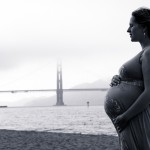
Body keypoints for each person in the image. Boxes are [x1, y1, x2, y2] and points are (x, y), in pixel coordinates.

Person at [104, 7, 150, 149]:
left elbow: (149, 92)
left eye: (131, 25)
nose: (128, 30)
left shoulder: (149, 53)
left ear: (144, 26)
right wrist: (119, 80)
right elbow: (139, 83)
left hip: (135, 117)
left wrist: (125, 117)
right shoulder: (144, 53)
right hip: (132, 119)